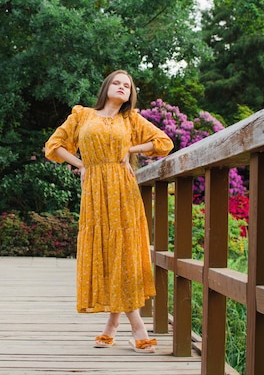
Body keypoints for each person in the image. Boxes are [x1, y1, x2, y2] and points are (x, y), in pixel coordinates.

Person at [44, 70, 174, 353]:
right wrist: (82, 165)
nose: (122, 87)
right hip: (94, 192)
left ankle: (129, 327)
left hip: (123, 190)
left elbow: (164, 143)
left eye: (127, 85)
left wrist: (130, 148)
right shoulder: (83, 115)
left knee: (123, 253)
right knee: (106, 252)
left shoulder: (130, 119)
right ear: (106, 87)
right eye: (117, 82)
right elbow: (53, 147)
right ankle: (118, 326)